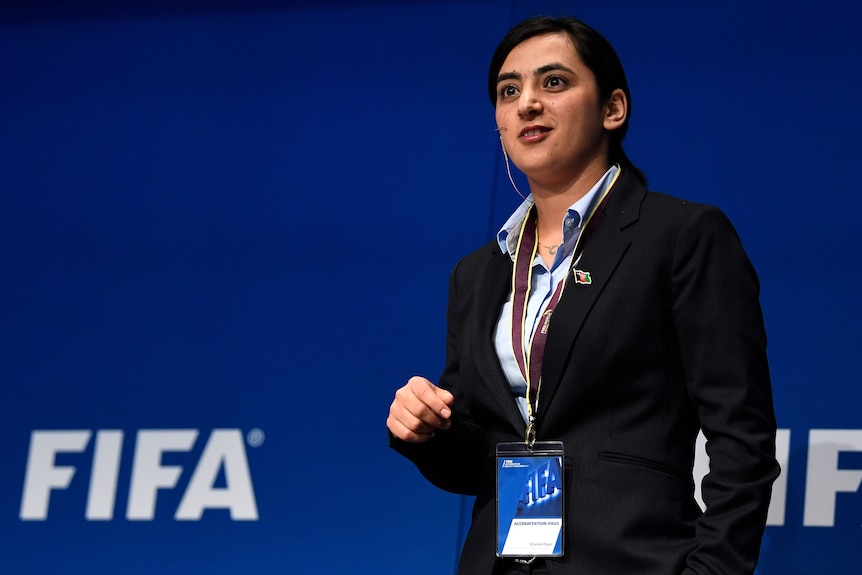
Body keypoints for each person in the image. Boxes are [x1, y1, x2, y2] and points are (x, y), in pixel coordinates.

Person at [387, 15, 778, 575]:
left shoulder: (682, 237)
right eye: (508, 91)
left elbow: (743, 441)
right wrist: (428, 430)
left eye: (553, 82)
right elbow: (476, 461)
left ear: (613, 109)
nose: (526, 104)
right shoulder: (476, 274)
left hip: (635, 558)